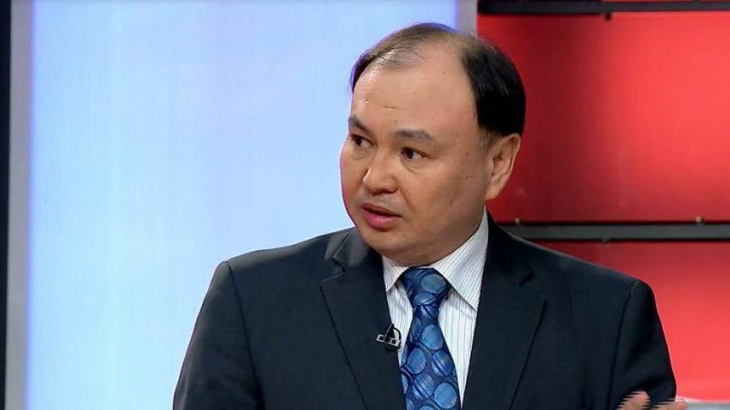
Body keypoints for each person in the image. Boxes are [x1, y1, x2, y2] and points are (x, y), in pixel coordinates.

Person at [174, 23, 684, 410]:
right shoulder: (254, 302)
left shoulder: (605, 318)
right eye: (360, 141)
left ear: (498, 163)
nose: (375, 177)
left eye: (412, 153)